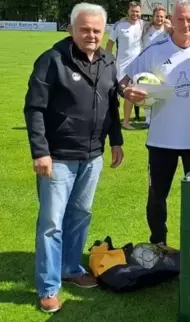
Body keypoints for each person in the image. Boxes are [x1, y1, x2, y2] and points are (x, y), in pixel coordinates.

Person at [24, 2, 124, 313]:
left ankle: (71, 268)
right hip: (58, 157)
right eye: (84, 29)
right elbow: (34, 109)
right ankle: (49, 286)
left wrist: (116, 141)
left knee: (80, 215)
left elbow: (112, 105)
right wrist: (41, 152)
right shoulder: (51, 60)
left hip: (92, 155)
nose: (91, 35)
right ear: (71, 30)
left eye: (96, 30)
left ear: (103, 31)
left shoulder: (108, 61)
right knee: (52, 223)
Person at [121, 0, 190, 246]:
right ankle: (158, 243)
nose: (185, 24)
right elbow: (124, 81)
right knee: (157, 196)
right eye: (180, 19)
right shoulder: (155, 51)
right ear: (172, 20)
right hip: (161, 140)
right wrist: (127, 92)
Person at [105, 1, 145, 129]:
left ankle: (126, 122)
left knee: (130, 95)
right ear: (128, 11)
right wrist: (106, 62)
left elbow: (159, 25)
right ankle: (107, 120)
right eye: (132, 11)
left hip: (135, 68)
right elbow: (109, 44)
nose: (135, 14)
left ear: (141, 12)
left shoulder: (143, 25)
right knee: (112, 96)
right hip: (120, 67)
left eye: (137, 12)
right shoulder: (119, 25)